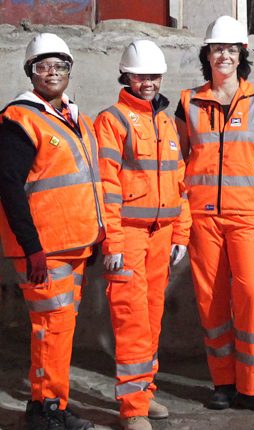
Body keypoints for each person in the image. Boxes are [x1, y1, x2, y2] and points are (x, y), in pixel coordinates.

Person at [174, 15, 254, 415]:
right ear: (205, 54)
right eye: (215, 49)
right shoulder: (188, 100)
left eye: (230, 49)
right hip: (201, 217)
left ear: (242, 53)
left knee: (252, 298)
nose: (222, 55)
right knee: (211, 301)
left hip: (248, 217)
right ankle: (223, 382)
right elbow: (177, 160)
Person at [0, 33, 104, 430]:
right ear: (30, 72)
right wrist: (31, 246)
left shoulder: (75, 117)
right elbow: (9, 187)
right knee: (50, 328)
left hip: (74, 245)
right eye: (43, 67)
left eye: (60, 66)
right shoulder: (18, 120)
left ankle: (51, 402)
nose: (52, 73)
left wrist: (97, 235)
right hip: (44, 249)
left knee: (60, 329)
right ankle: (47, 410)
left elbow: (86, 183)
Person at [93, 39, 186, 430]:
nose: (148, 82)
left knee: (151, 317)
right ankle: (132, 408)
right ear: (126, 76)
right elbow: (106, 186)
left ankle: (145, 391)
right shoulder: (112, 121)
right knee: (131, 319)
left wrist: (181, 230)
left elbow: (180, 181)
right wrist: (112, 241)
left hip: (162, 234)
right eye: (140, 76)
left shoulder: (164, 121)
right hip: (129, 236)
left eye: (154, 76)